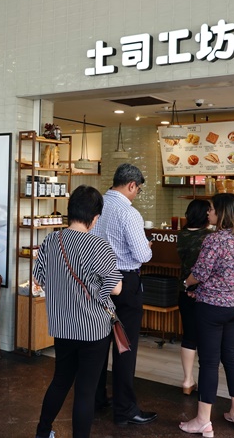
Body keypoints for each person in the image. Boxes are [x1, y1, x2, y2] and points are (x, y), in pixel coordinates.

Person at [33, 185, 123, 438]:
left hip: (62, 326)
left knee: (60, 381)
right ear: (95, 217)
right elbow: (116, 289)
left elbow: (39, 277)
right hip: (93, 329)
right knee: (85, 391)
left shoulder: (51, 239)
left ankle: (42, 432)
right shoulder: (99, 246)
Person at [179, 193, 234, 434]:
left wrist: (187, 284)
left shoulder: (214, 240)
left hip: (211, 307)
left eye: (211, 209)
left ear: (221, 212)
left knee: (209, 362)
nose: (208, 213)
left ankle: (202, 420)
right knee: (231, 357)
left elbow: (199, 273)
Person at [91, 163, 156, 426]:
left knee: (98, 343)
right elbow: (142, 255)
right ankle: (125, 409)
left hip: (96, 280)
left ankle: (96, 400)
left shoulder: (96, 206)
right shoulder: (129, 214)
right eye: (138, 190)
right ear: (131, 185)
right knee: (124, 347)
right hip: (124, 282)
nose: (136, 194)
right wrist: (148, 247)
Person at [175, 199, 212, 396]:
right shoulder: (210, 237)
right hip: (206, 293)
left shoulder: (181, 234)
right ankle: (206, 382)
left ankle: (187, 380)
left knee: (189, 336)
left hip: (184, 289)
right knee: (207, 338)